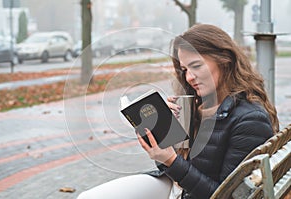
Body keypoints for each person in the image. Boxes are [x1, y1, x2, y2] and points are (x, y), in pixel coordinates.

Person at [77, 24, 279, 199]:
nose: (189, 77)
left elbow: (225, 195)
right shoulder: (196, 106)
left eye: (196, 66)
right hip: (178, 188)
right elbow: (177, 167)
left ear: (224, 60)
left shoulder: (250, 120)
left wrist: (170, 160)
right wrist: (167, 136)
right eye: (184, 70)